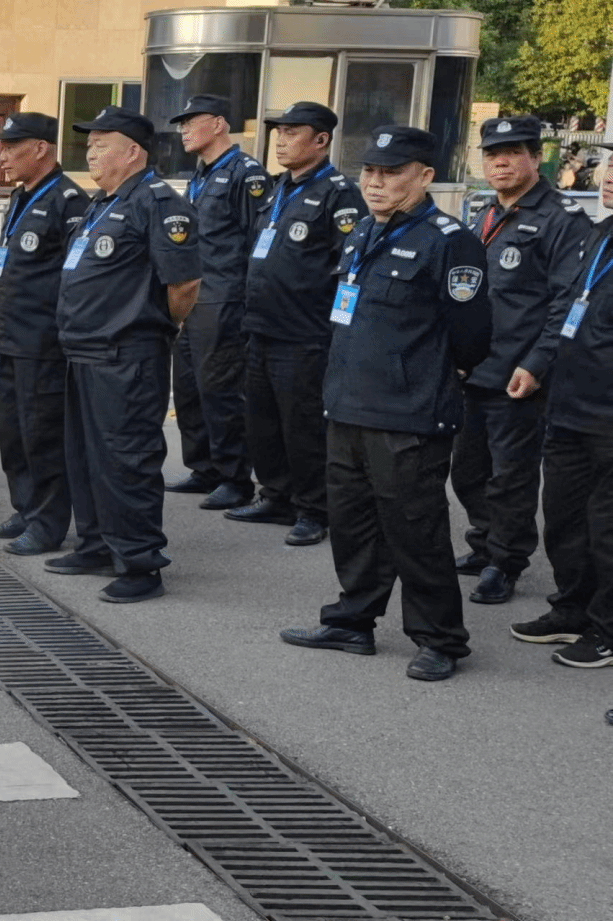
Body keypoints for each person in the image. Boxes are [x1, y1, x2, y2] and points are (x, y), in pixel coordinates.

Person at [278, 125, 492, 682]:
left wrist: (429, 374)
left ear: (424, 176)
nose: (375, 182)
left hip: (409, 414)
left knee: (415, 530)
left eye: (391, 173)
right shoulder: (363, 232)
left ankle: (440, 638)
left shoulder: (449, 241)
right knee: (353, 525)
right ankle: (353, 621)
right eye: (369, 171)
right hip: (348, 404)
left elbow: (472, 335)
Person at [47, 106, 201, 604]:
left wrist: (154, 326)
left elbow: (184, 284)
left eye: (101, 145)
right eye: (89, 145)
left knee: (126, 460)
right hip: (85, 352)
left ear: (133, 152)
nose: (90, 153)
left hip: (126, 354)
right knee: (86, 458)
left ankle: (140, 564)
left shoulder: (157, 203)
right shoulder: (102, 203)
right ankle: (96, 544)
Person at [448, 116, 592, 605]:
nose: (501, 163)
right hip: (474, 368)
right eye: (492, 154)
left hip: (519, 373)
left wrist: (538, 363)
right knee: (468, 471)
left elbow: (566, 303)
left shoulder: (561, 219)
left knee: (511, 475)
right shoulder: (485, 212)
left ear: (535, 157)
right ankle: (484, 541)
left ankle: (505, 561)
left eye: (513, 153)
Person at [230, 101, 363, 547]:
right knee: (262, 422)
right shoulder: (277, 189)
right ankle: (276, 495)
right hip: (262, 328)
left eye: (291, 132)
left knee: (302, 427)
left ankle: (313, 509)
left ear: (321, 140)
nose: (281, 140)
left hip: (304, 334)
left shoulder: (338, 193)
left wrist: (338, 331)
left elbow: (349, 268)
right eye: (278, 132)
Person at [506, 179, 613, 666]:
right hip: (569, 405)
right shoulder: (600, 233)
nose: (609, 174)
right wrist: (538, 364)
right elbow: (569, 304)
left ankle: (607, 629)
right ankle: (573, 609)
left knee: (607, 529)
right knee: (565, 520)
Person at [0, 112, 90, 557]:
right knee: (14, 433)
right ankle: (25, 509)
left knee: (42, 435)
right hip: (10, 334)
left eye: (12, 147)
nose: (2, 157)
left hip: (42, 340)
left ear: (41, 148)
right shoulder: (23, 196)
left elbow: (76, 276)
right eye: (2, 147)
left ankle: (48, 523)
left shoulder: (68, 200)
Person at [165, 95, 266, 512]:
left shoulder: (246, 173)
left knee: (220, 388)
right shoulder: (201, 174)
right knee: (189, 386)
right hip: (195, 293)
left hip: (225, 295)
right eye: (181, 124)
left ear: (220, 124)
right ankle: (203, 466)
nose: (184, 130)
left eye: (192, 121)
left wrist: (245, 298)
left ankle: (234, 477)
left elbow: (258, 238)